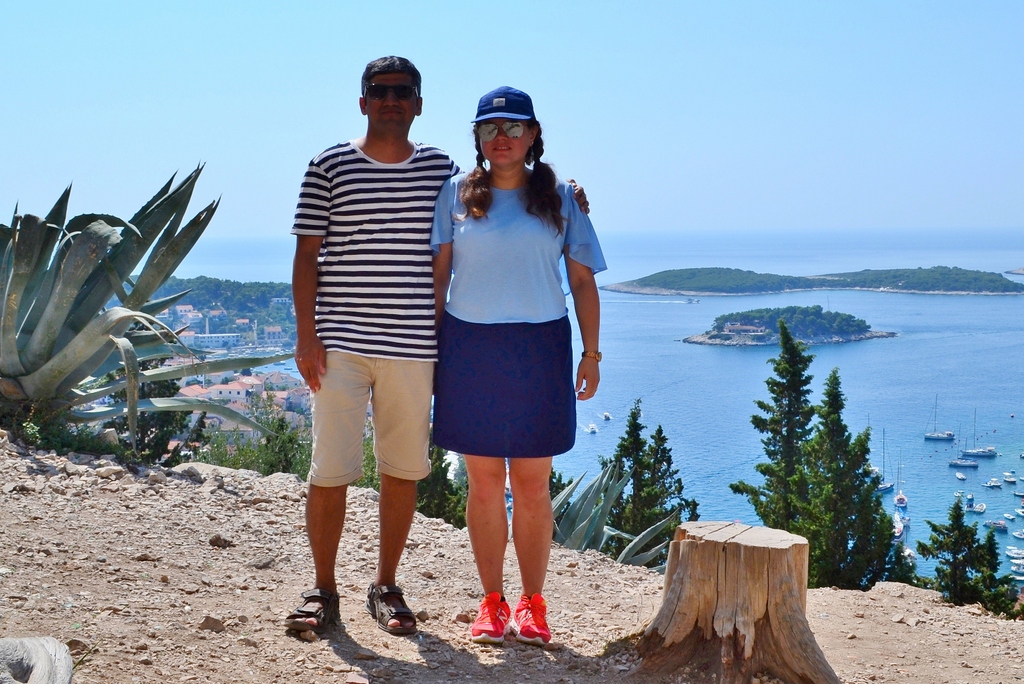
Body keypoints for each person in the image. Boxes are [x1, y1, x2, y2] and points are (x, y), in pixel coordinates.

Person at [284, 61, 588, 637]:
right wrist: (306, 334)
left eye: (403, 92)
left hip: (413, 344)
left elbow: (507, 186)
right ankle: (322, 589)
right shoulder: (328, 165)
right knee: (329, 470)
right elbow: (306, 255)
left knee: (402, 470)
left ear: (418, 104)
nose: (391, 100)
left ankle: (385, 586)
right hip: (341, 342)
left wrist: (567, 193)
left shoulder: (441, 172)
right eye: (380, 91)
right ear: (362, 101)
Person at [431, 86, 605, 647]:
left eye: (512, 127)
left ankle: (532, 604)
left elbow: (582, 282)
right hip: (469, 348)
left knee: (532, 484)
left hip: (540, 348)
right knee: (483, 483)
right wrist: (432, 351)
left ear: (532, 135)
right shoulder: (454, 193)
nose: (501, 137)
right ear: (478, 138)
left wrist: (591, 354)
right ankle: (491, 602)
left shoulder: (560, 197)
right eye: (489, 128)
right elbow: (438, 278)